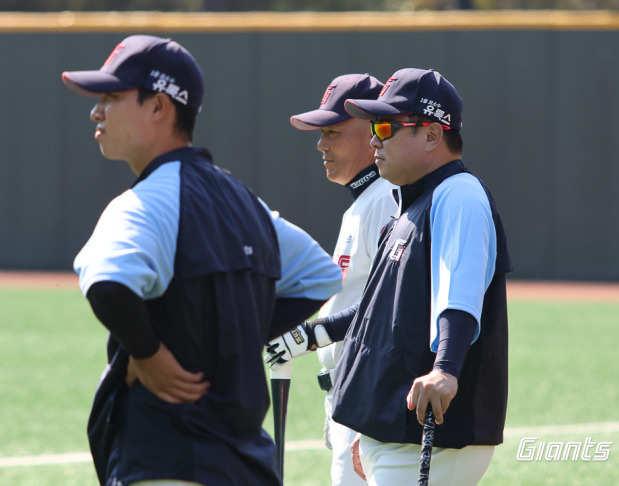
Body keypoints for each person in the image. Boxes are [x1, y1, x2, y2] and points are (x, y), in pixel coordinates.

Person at [62, 35, 342, 486]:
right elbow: (320, 275)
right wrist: (231, 339)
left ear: (159, 107)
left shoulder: (144, 201)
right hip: (246, 462)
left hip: (166, 456)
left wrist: (148, 353)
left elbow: (108, 284)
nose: (97, 110)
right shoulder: (244, 201)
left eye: (112, 97)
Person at [266, 68, 512, 485]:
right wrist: (315, 337)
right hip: (391, 427)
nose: (375, 138)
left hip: (429, 430)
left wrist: (446, 369)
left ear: (433, 135)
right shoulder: (410, 203)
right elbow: (379, 308)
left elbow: (459, 294)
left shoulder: (459, 192)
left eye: (386, 126)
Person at [288, 74, 397, 486]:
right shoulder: (363, 202)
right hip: (347, 395)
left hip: (367, 398)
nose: (321, 144)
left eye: (333, 131)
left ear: (372, 132)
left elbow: (389, 305)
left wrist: (310, 336)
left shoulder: (384, 198)